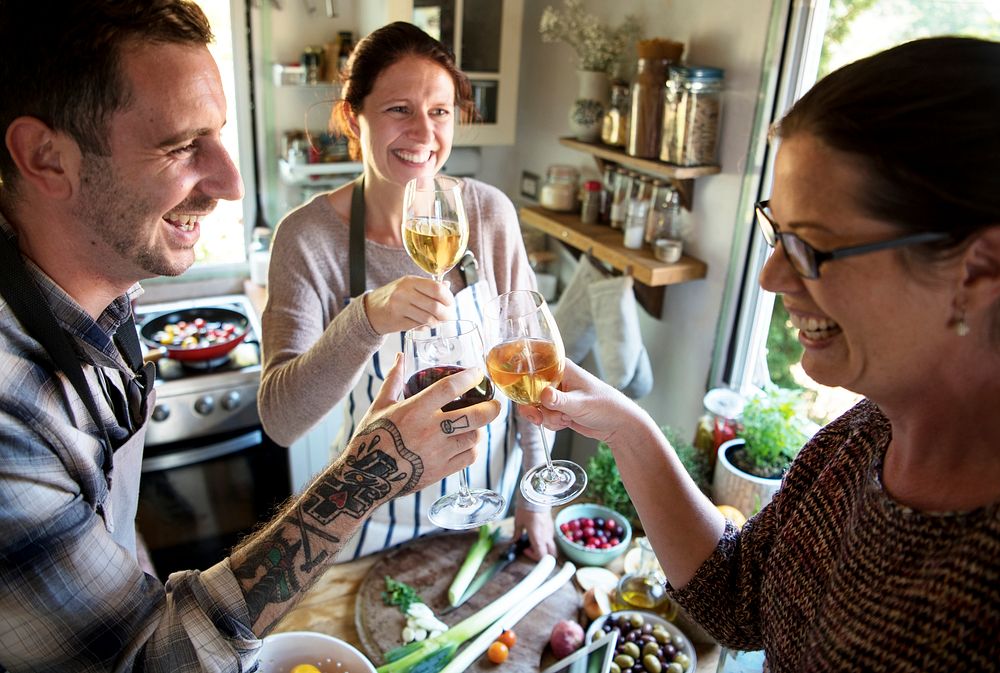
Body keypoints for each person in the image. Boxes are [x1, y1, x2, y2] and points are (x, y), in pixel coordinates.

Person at [0, 2, 499, 671]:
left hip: (476, 523)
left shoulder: (109, 307)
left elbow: (115, 567)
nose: (233, 184)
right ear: (45, 157)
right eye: (181, 145)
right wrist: (367, 467)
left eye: (440, 110)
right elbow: (149, 659)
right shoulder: (12, 412)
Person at [522, 37, 1000, 671]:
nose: (771, 276)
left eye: (810, 247)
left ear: (979, 268)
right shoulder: (859, 437)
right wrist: (627, 430)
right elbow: (741, 597)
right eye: (777, 232)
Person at [258, 22, 556, 560]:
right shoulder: (308, 239)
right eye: (399, 109)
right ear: (355, 116)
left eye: (439, 111)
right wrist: (365, 318)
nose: (423, 133)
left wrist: (537, 496)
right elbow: (281, 420)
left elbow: (528, 365)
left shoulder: (487, 214)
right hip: (369, 519)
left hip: (486, 508)